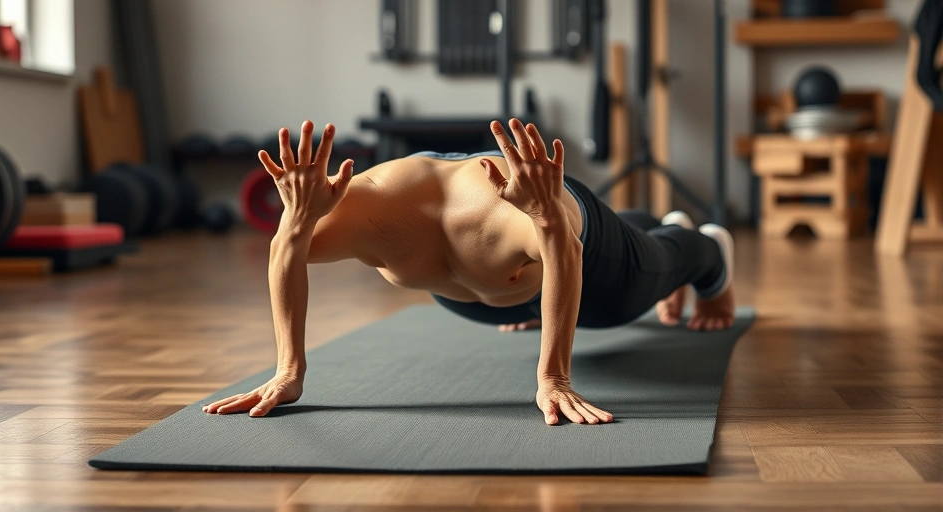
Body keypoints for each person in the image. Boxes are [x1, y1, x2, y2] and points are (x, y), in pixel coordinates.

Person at [204, 118, 734, 426]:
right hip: (487, 292)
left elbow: (563, 251)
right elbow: (285, 253)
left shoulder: (507, 214)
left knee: (655, 271)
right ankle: (649, 228)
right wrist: (288, 369)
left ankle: (707, 254)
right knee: (612, 243)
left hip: (582, 256)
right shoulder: (359, 206)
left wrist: (553, 377)